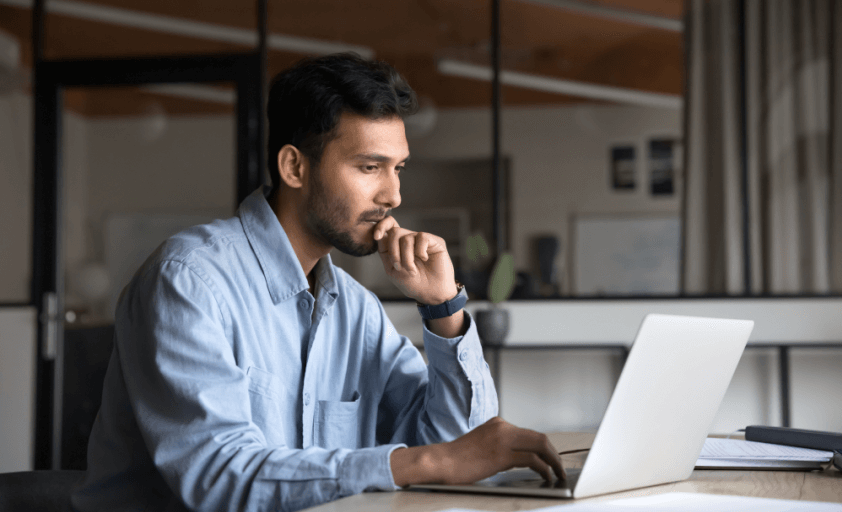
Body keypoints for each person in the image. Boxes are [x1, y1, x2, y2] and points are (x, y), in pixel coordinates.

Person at [71, 53, 564, 511]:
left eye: (398, 169)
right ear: (294, 167)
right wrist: (429, 463)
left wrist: (443, 310)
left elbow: (462, 448)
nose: (392, 194)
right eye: (369, 167)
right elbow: (217, 475)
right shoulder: (189, 281)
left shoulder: (355, 308)